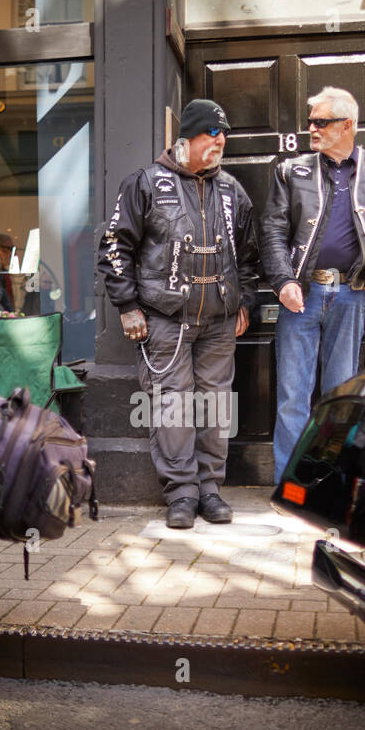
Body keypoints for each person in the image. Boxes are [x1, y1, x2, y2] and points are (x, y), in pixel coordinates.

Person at [97, 99, 261, 528]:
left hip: (220, 322)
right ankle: (182, 494)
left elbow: (248, 255)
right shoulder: (145, 184)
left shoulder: (232, 191)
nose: (220, 143)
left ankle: (210, 490)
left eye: (224, 136)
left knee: (215, 405)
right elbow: (115, 248)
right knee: (172, 407)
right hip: (163, 319)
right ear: (186, 139)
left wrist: (245, 301)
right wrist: (127, 306)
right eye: (213, 134)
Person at [260, 86, 365, 481]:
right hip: (301, 296)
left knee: (341, 396)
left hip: (351, 295)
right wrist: (283, 281)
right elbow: (273, 231)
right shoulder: (292, 170)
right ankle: (289, 483)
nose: (312, 128)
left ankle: (328, 483)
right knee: (293, 395)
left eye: (321, 122)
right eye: (311, 121)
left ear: (347, 125)